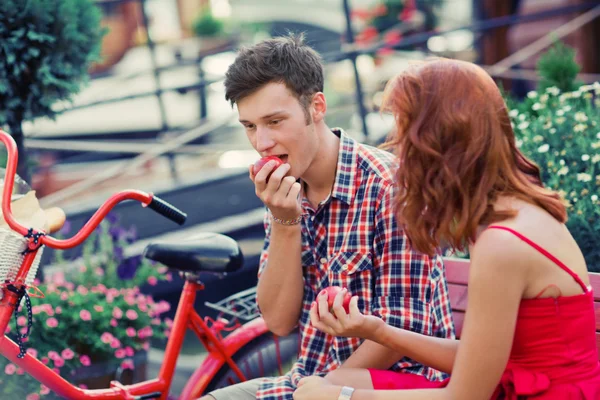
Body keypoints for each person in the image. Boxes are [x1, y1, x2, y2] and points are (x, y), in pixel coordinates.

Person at [293, 58, 600, 400]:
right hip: (520, 385)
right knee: (338, 379)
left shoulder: (502, 244)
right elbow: (482, 358)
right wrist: (376, 330)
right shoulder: (515, 213)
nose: (399, 152)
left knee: (331, 390)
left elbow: (464, 396)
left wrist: (342, 399)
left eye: (405, 137)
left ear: (440, 146)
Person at [200, 35, 455, 400]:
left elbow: (399, 331)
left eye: (275, 121)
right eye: (250, 126)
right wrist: (284, 222)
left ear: (317, 106)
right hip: (310, 382)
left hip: (391, 385)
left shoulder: (389, 188)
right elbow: (278, 320)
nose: (262, 143)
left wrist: (321, 389)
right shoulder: (284, 189)